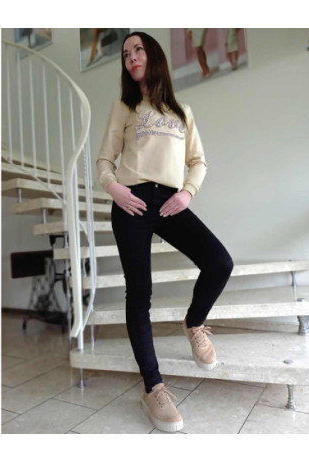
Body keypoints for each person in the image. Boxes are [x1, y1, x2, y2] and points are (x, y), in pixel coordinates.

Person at [96, 31, 234, 433]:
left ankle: (195, 322)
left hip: (171, 201)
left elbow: (198, 161)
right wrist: (115, 189)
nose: (131, 57)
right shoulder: (124, 106)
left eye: (138, 49)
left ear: (153, 55)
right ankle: (153, 387)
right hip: (131, 202)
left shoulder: (181, 111)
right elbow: (105, 159)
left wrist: (187, 193)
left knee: (219, 262)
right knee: (140, 294)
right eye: (125, 53)